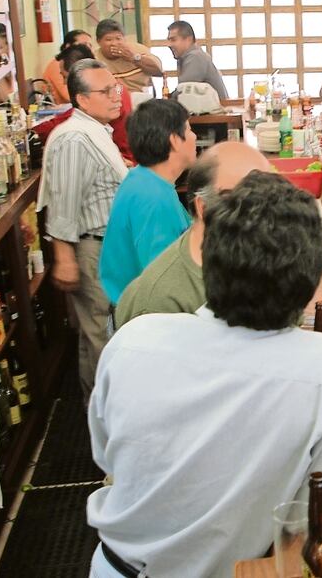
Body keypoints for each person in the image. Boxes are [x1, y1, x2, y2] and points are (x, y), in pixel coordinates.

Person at [87, 172, 322, 577]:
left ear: (209, 259)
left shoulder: (133, 339)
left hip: (114, 566)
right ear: (309, 281)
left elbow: (106, 453)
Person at [35, 59, 128, 399]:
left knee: (103, 329)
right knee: (99, 335)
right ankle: (101, 415)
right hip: (91, 248)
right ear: (82, 98)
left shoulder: (95, 130)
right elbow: (63, 205)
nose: (116, 96)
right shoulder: (75, 137)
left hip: (107, 245)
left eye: (115, 87)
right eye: (106, 91)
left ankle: (105, 410)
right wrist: (64, 257)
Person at [115, 142, 270, 329]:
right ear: (204, 207)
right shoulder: (160, 302)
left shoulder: (255, 256)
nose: (265, 211)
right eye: (244, 200)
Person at [99, 100, 196, 305]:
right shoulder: (153, 199)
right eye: (189, 129)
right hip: (145, 317)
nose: (195, 137)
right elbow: (163, 282)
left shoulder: (143, 178)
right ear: (175, 141)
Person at [34, 45, 135, 164]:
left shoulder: (106, 96)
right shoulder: (118, 88)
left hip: (121, 160)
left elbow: (70, 118)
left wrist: (33, 133)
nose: (65, 82)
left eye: (65, 76)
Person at [94, 19, 163, 94]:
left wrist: (134, 58)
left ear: (124, 38)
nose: (114, 43)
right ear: (98, 41)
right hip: (110, 98)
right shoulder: (94, 59)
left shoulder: (139, 50)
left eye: (118, 38)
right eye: (108, 40)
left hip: (139, 96)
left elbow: (158, 72)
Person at [166, 20, 228, 101]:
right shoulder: (187, 57)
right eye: (169, 40)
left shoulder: (195, 56)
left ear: (188, 39)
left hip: (215, 112)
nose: (169, 45)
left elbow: (183, 91)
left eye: (173, 40)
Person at [42, 28, 93, 104]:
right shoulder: (59, 64)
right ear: (68, 46)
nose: (88, 48)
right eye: (84, 44)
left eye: (90, 45)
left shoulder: (88, 64)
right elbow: (69, 96)